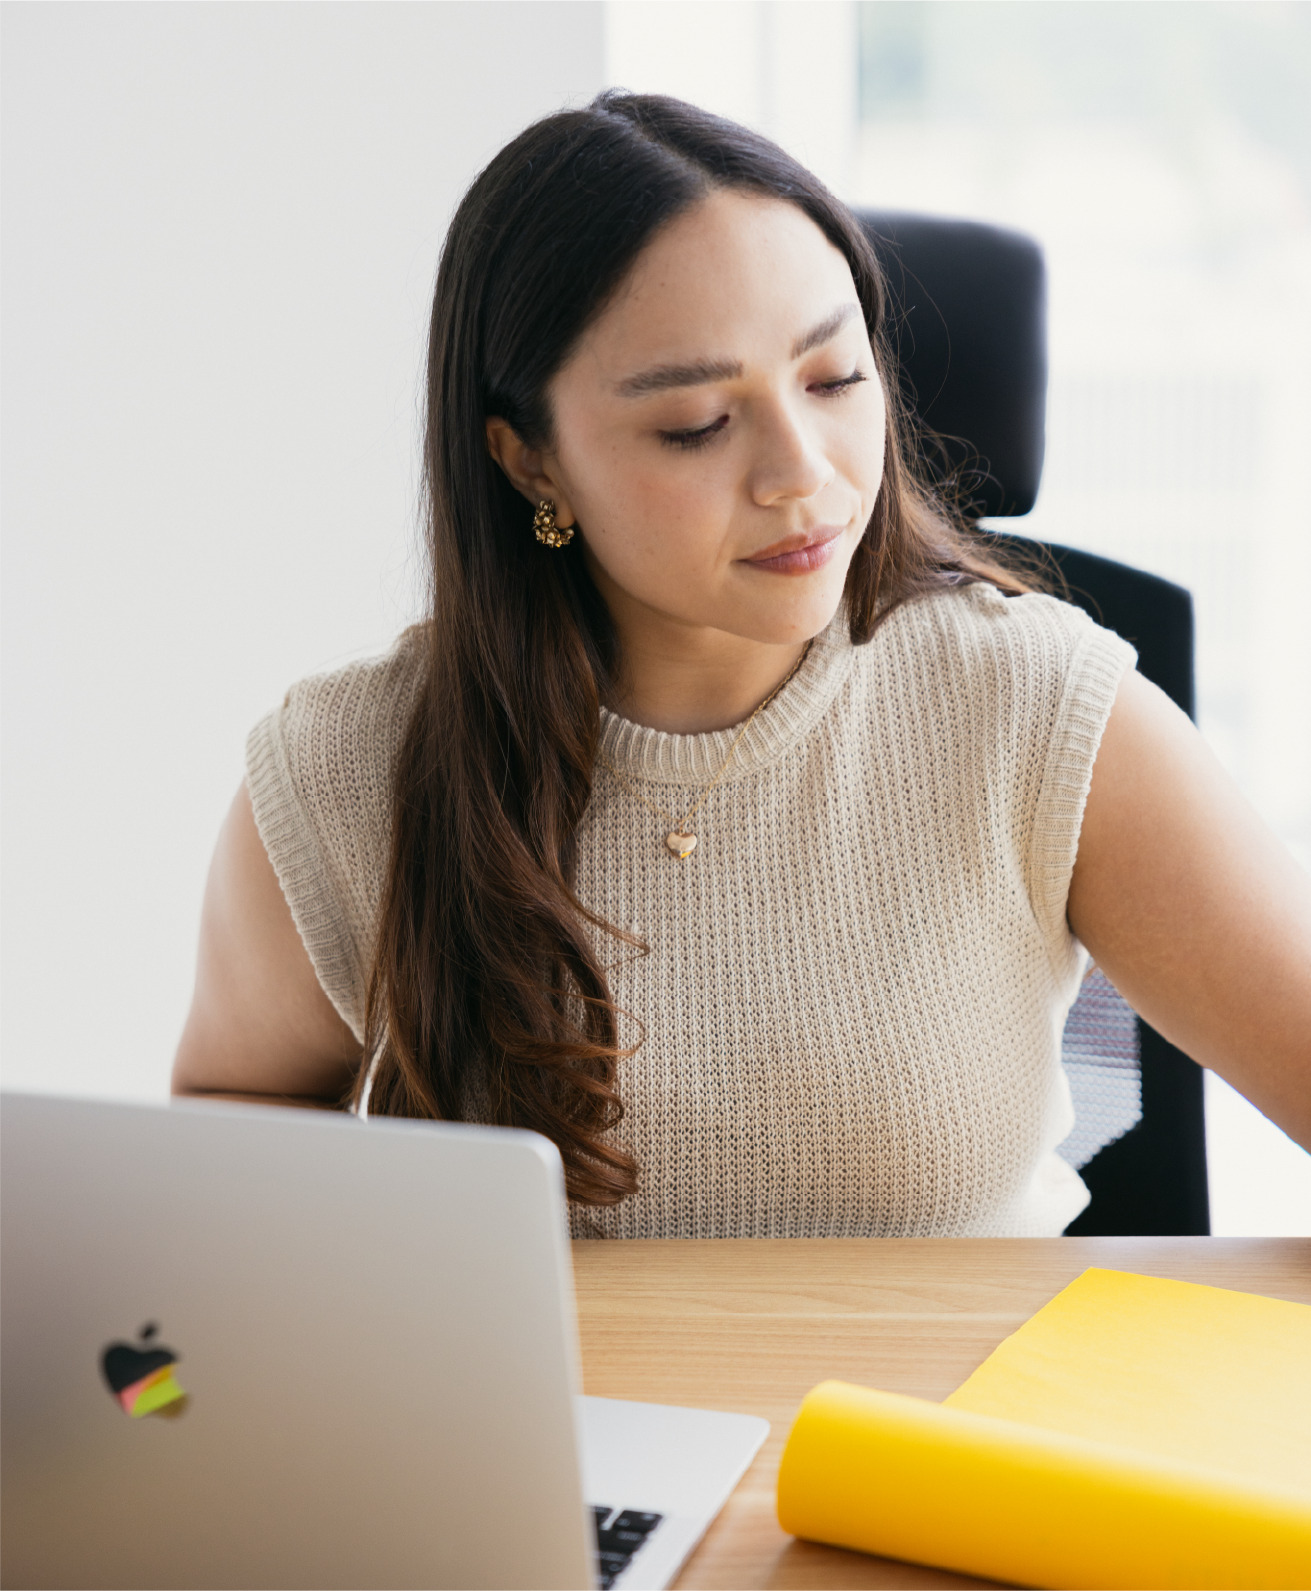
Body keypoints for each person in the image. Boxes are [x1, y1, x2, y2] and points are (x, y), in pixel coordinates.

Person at [172, 91, 1311, 1238]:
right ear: (530, 464)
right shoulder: (346, 770)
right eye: (697, 423)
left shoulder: (1037, 708)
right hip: (566, 1418)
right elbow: (231, 1141)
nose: (801, 474)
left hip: (945, 1406)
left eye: (833, 379)